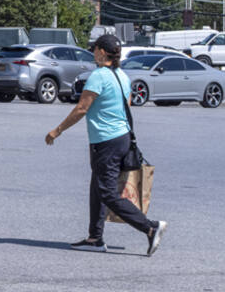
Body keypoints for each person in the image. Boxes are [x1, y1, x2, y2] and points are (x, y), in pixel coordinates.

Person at [45, 31, 167, 255]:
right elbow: (126, 105)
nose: (92, 52)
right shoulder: (121, 75)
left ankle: (150, 228)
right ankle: (95, 238)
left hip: (107, 141)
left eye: (94, 49)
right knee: (98, 189)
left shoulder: (99, 76)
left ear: (102, 52)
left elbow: (82, 108)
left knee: (108, 193)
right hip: (121, 138)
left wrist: (57, 130)